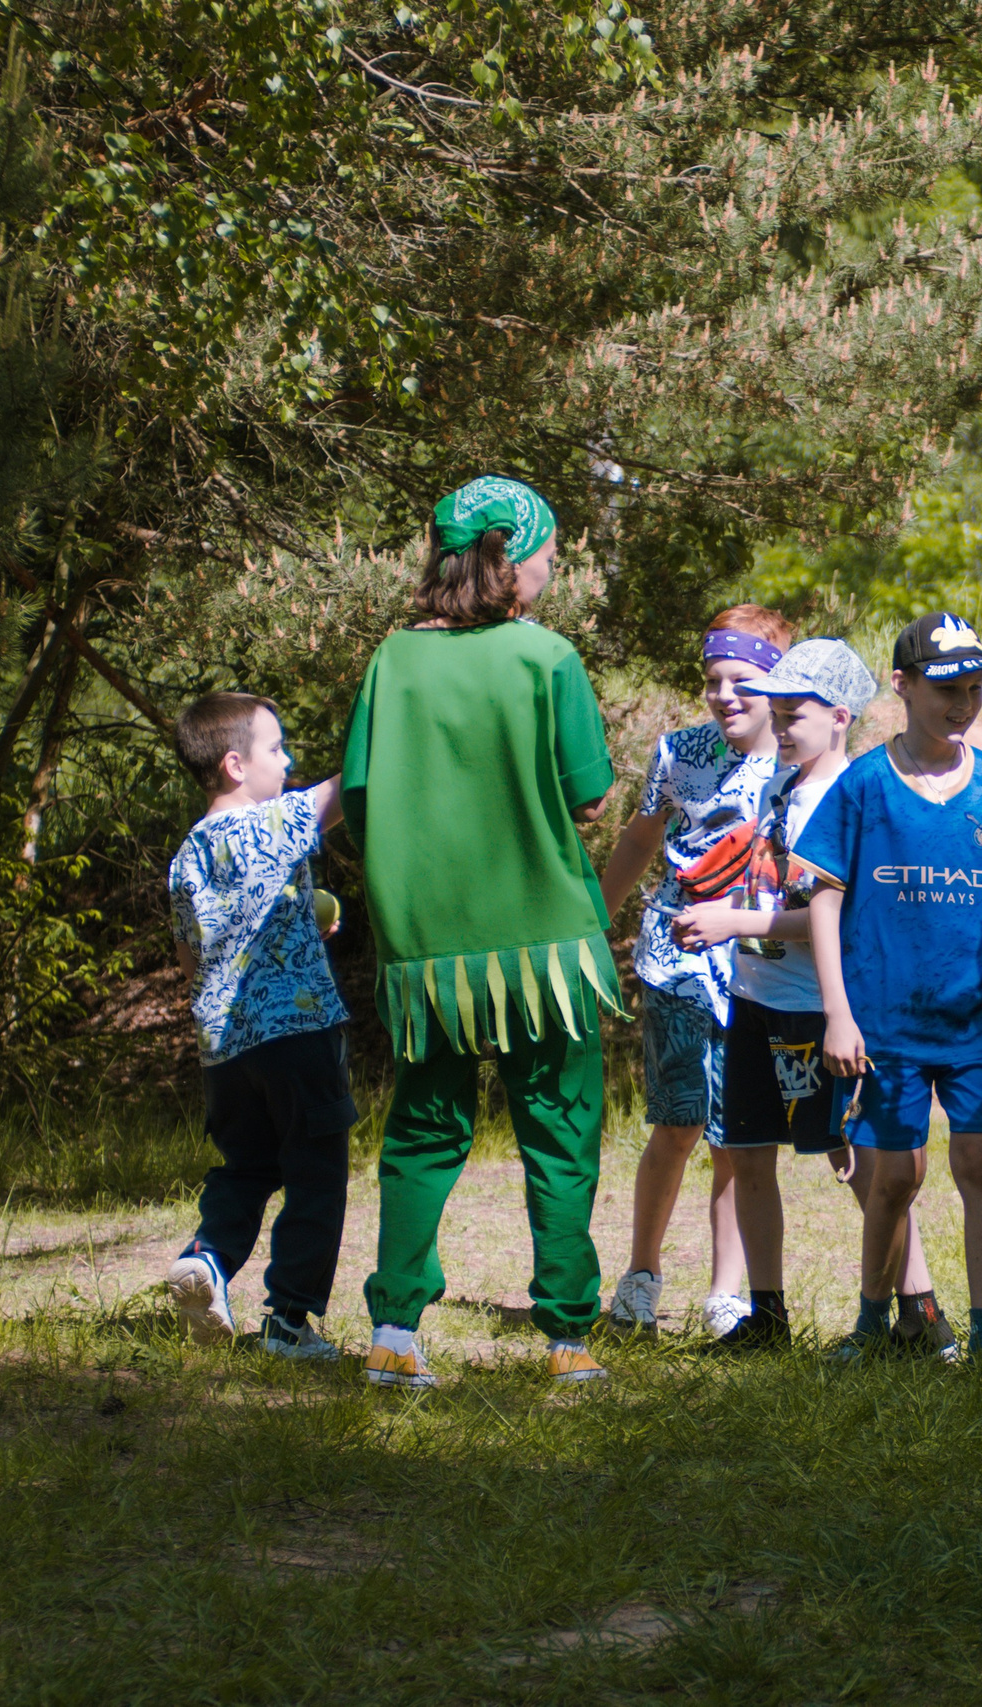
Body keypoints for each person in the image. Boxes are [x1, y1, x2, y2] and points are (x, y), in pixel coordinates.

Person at [345, 475, 624, 1390]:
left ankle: (394, 1332)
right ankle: (568, 1338)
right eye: (547, 555)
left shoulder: (391, 661)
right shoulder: (545, 658)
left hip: (431, 954)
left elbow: (356, 797)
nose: (550, 572)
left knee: (424, 1130)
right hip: (547, 943)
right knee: (559, 1131)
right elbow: (589, 793)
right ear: (511, 558)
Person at [796, 611, 982, 1371]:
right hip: (884, 1021)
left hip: (974, 1019)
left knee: (978, 1166)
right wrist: (838, 1012)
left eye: (974, 686)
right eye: (946, 684)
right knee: (893, 1175)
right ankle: (870, 1327)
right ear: (902, 684)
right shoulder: (861, 785)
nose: (962, 701)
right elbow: (821, 895)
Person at [671, 639, 942, 1354]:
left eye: (796, 715)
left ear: (841, 717)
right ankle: (768, 1314)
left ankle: (920, 1309)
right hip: (754, 995)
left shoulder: (850, 799)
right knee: (748, 1150)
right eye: (777, 711)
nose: (782, 726)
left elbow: (834, 913)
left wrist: (735, 921)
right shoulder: (776, 782)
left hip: (815, 1006)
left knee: (854, 1160)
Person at [598, 606, 793, 1339]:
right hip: (676, 960)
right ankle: (641, 1274)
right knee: (677, 1122)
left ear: (779, 682)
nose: (725, 695)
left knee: (738, 1136)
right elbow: (641, 838)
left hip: (760, 963)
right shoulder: (677, 752)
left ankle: (727, 1294)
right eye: (713, 680)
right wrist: (596, 928)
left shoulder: (799, 762)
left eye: (742, 680)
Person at [163, 693, 354, 1361]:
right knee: (316, 1171)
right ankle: (290, 1320)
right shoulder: (274, 822)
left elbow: (191, 955)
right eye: (277, 748)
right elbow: (351, 783)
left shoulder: (186, 855)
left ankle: (207, 1258)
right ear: (236, 763)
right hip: (298, 1034)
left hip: (222, 1047)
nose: (291, 759)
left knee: (245, 1167)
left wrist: (300, 920)